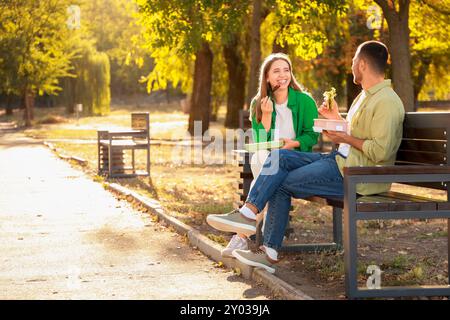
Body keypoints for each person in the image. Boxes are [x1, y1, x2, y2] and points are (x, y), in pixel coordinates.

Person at [206, 40, 405, 273]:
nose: (350, 65)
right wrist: (337, 121)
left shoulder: (387, 101)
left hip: (356, 175)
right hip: (340, 162)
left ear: (361, 65)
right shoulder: (365, 96)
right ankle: (249, 215)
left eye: (353, 62)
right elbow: (357, 132)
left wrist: (345, 139)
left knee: (279, 181)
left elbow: (381, 152)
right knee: (279, 158)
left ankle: (263, 245)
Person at [207, 53, 319, 257]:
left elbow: (312, 137)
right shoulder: (258, 103)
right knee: (266, 160)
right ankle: (264, 246)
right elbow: (260, 141)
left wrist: (293, 143)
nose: (282, 75)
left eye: (286, 70)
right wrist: (266, 115)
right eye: (276, 71)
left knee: (271, 164)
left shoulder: (305, 101)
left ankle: (241, 233)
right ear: (267, 77)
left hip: (297, 159)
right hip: (269, 159)